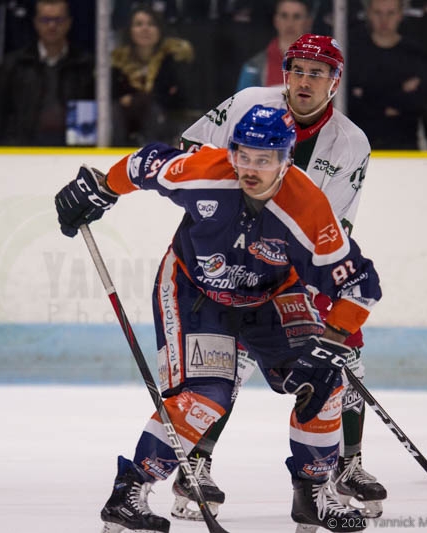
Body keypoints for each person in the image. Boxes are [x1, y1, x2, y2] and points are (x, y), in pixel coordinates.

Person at [55, 104, 381, 533]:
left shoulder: (308, 208)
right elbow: (144, 163)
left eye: (264, 159)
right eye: (243, 155)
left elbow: (359, 284)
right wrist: (102, 188)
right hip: (194, 291)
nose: (251, 169)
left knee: (323, 381)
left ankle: (313, 494)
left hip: (272, 295)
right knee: (206, 397)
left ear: (286, 159)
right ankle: (129, 492)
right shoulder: (205, 171)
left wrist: (333, 339)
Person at [178, 34, 385, 519]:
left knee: (344, 353)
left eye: (319, 73)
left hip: (297, 263)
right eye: (299, 70)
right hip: (230, 253)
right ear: (285, 73)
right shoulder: (249, 102)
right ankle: (195, 466)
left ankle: (346, 465)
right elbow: (190, 151)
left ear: (335, 82)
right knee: (227, 364)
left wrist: (309, 290)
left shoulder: (351, 143)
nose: (306, 81)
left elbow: (333, 229)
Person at [0, 0, 94, 146]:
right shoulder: (15, 65)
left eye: (58, 20)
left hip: (73, 151)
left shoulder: (85, 65)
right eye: (45, 20)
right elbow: (0, 117)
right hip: (23, 151)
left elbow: (89, 120)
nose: (52, 26)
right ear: (36, 23)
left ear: (68, 23)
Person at [346, 0, 427, 150]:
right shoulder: (353, 53)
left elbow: (417, 103)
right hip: (360, 146)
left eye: (390, 13)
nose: (384, 20)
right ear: (368, 14)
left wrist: (367, 94)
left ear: (400, 14)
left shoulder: (414, 54)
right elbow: (350, 103)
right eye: (378, 12)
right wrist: (400, 91)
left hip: (404, 145)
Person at [110, 4, 193, 147]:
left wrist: (136, 100)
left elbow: (177, 98)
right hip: (126, 134)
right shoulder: (118, 62)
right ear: (129, 30)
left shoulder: (173, 60)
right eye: (138, 24)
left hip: (166, 130)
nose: (145, 29)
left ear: (160, 29)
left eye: (151, 24)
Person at [235, 0, 312, 91]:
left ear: (308, 22)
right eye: (284, 16)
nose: (290, 23)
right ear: (276, 21)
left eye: (297, 17)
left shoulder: (322, 64)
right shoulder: (255, 66)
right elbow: (244, 99)